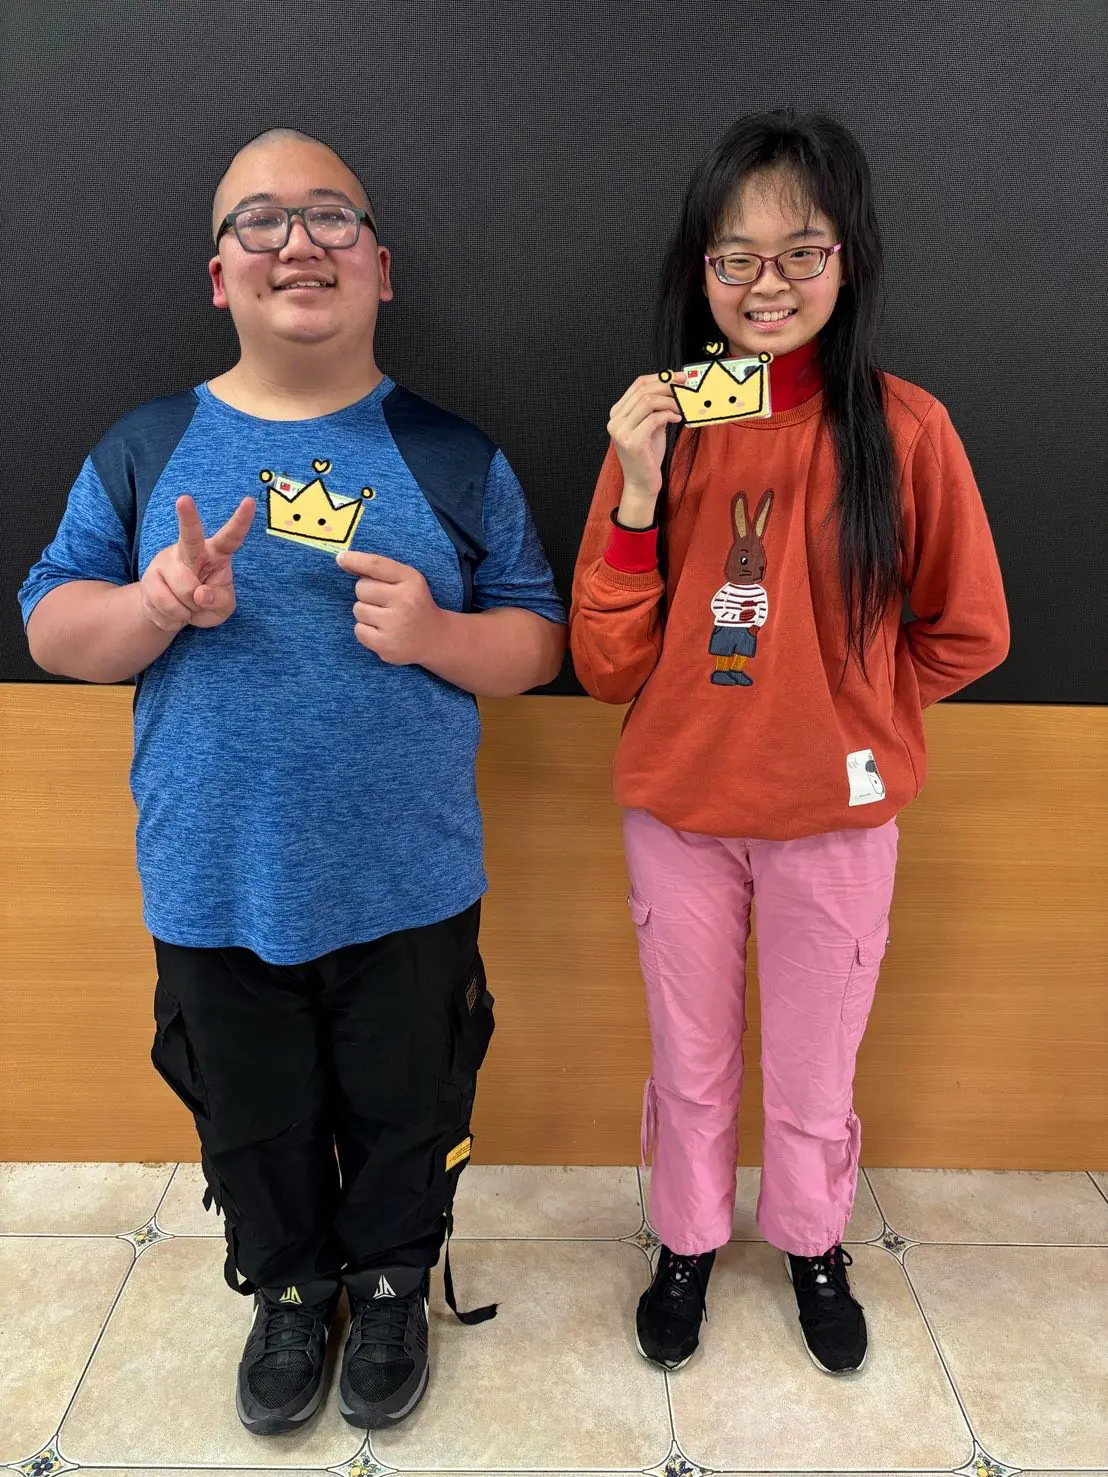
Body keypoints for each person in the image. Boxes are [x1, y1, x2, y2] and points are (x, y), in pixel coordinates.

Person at [18, 127, 565, 1435]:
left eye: (331, 216)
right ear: (220, 276)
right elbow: (49, 623)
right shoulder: (147, 446)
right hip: (212, 883)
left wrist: (437, 634)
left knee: (408, 1104)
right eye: (259, 221)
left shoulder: (450, 454)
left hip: (410, 882)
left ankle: (387, 1282)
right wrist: (153, 605)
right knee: (252, 1121)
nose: (299, 242)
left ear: (381, 265)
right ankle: (288, 1284)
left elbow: (538, 642)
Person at [569, 109, 1008, 1377]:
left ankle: (813, 1239)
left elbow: (970, 629)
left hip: (837, 822)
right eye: (735, 256)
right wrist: (637, 488)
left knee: (815, 1067)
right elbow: (605, 665)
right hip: (678, 811)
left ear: (846, 260)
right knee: (690, 1059)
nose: (767, 284)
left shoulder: (905, 429)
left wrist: (860, 709)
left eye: (800, 252)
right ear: (698, 269)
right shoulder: (660, 427)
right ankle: (687, 1239)